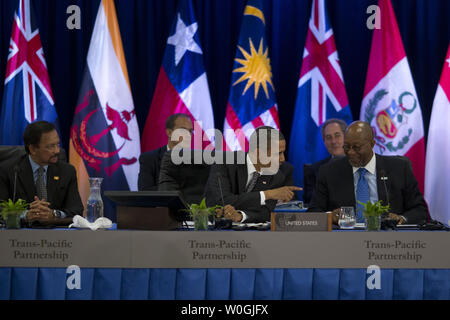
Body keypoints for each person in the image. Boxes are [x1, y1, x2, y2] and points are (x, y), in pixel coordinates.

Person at [308, 121, 428, 225]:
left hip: (388, 240)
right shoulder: (329, 172)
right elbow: (313, 213)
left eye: (356, 147)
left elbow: (419, 209)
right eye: (346, 147)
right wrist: (329, 216)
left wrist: (401, 219)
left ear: (372, 144)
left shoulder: (399, 168)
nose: (350, 152)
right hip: (344, 240)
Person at [205, 126, 301, 223]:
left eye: (283, 152)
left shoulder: (277, 175)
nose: (282, 159)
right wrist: (268, 194)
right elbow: (223, 201)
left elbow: (266, 212)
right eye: (277, 153)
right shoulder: (224, 163)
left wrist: (241, 216)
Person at [0, 121, 83, 224]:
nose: (57, 150)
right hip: (19, 237)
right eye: (50, 146)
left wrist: (54, 214)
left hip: (58, 237)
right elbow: (1, 210)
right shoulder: (9, 171)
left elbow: (77, 210)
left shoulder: (67, 171)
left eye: (57, 144)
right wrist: (26, 215)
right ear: (33, 149)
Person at [138, 113, 193, 190]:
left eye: (190, 131)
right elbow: (145, 190)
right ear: (169, 133)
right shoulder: (149, 159)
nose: (188, 135)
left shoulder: (196, 160)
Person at [303, 118, 347, 205]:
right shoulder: (314, 170)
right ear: (324, 142)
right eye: (328, 137)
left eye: (337, 135)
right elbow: (309, 200)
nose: (333, 141)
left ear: (346, 137)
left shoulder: (359, 165)